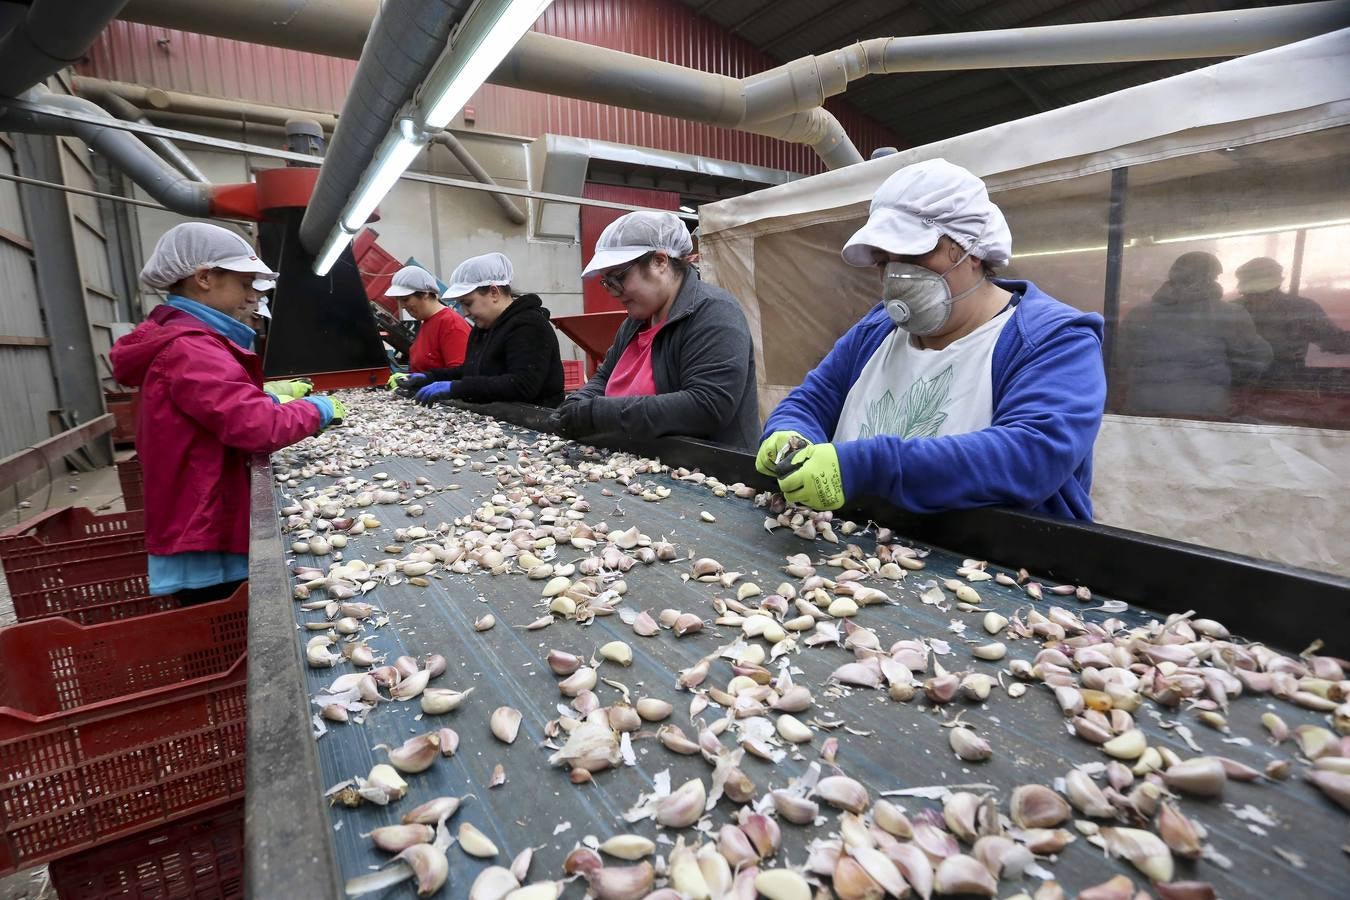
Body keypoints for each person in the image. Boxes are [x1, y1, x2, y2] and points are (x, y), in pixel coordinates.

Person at [755, 158, 1105, 520]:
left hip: (994, 564)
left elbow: (1031, 457)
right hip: (865, 551)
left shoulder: (1054, 340)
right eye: (883, 261)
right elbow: (812, 400)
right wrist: (790, 434)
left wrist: (868, 467)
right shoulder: (879, 328)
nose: (896, 275)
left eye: (914, 255)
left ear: (971, 249)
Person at [110, 222, 345, 606]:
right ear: (204, 277)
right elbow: (255, 427)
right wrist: (317, 409)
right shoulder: (192, 349)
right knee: (225, 620)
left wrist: (266, 394)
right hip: (205, 526)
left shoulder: (187, 341)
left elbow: (217, 408)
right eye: (244, 283)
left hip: (200, 511)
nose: (251, 295)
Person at [554, 210, 759, 449]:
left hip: (709, 474)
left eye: (619, 278)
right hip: (640, 466)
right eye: (607, 282)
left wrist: (595, 413)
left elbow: (707, 406)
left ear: (659, 261)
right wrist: (577, 403)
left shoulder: (714, 313)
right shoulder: (636, 322)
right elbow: (604, 376)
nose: (613, 291)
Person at [1118, 252, 1271, 419]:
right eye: (1214, 277)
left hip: (1143, 408)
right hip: (1204, 411)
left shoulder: (1139, 313)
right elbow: (1258, 358)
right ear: (1207, 278)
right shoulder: (1229, 314)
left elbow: (1120, 358)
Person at [405, 252, 564, 407]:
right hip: (499, 417)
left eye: (468, 303)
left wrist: (456, 388)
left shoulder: (529, 325)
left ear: (494, 292)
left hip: (535, 421)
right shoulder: (484, 327)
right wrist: (430, 377)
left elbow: (521, 385)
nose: (465, 312)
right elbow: (471, 371)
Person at [1233, 256, 1350, 379]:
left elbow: (1334, 340)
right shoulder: (1231, 311)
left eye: (1263, 292)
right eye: (1250, 293)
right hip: (1240, 383)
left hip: (1286, 383)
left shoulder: (1302, 308)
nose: (1256, 299)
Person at [384, 265, 471, 390]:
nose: (402, 306)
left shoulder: (451, 324)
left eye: (406, 299)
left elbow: (460, 376)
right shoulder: (426, 321)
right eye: (399, 300)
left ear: (425, 294)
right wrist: (408, 377)